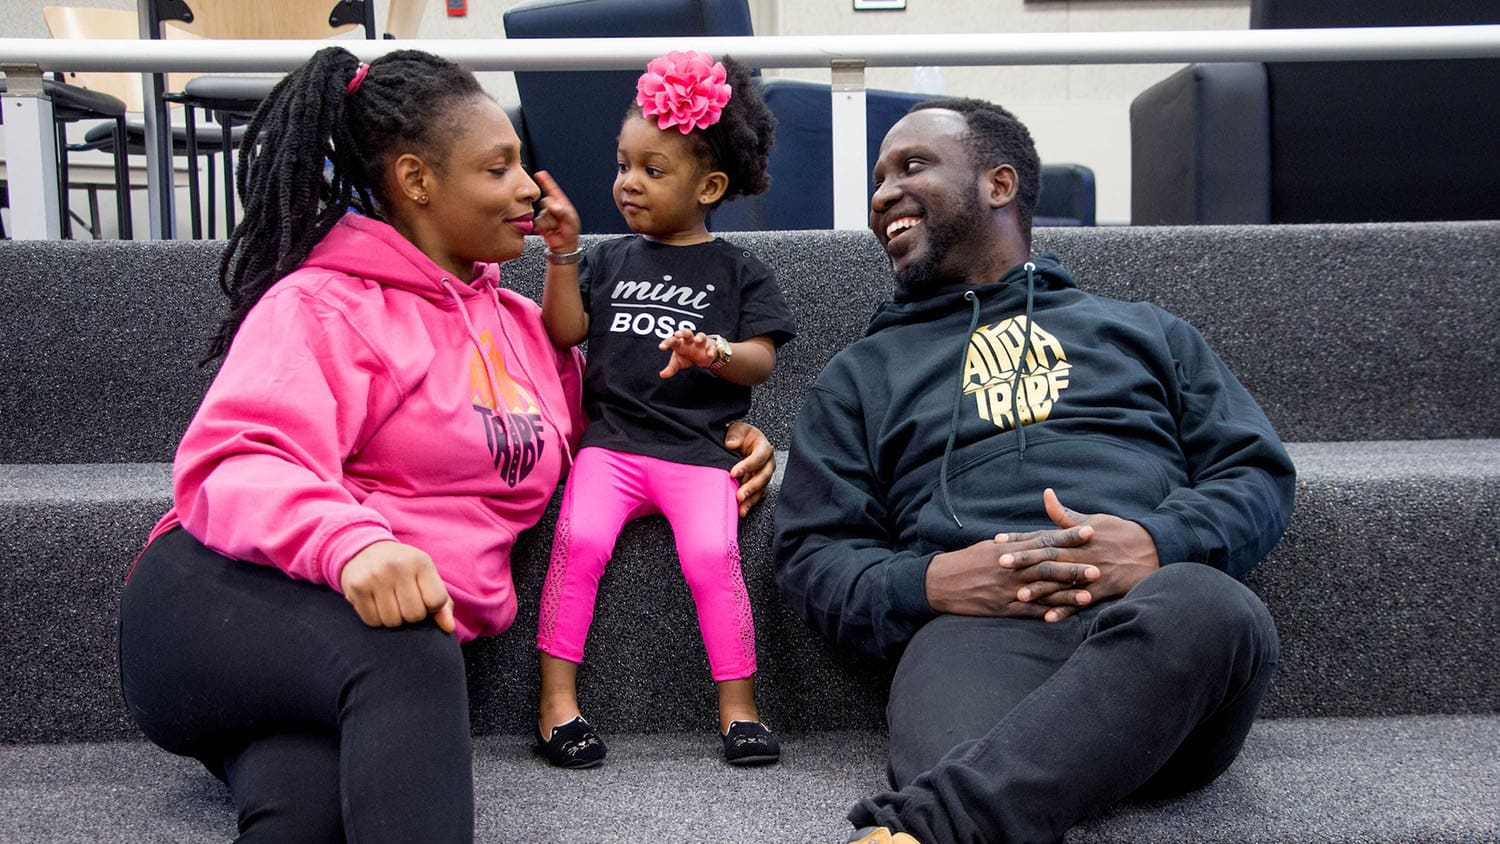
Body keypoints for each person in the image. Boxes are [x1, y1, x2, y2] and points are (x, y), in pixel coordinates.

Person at [116, 46, 775, 842]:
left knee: (305, 811)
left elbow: (614, 418)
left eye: (521, 165)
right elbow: (237, 456)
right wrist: (354, 544)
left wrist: (722, 431)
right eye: (498, 169)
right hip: (219, 597)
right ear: (417, 181)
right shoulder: (326, 304)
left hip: (333, 656)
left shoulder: (521, 330)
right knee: (411, 651)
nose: (530, 187)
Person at [773, 97, 1295, 844]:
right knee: (956, 752)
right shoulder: (860, 375)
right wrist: (931, 582)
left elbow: (1255, 475)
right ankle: (971, 816)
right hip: (978, 633)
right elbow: (812, 553)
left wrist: (1154, 543)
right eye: (878, 178)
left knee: (1214, 609)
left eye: (912, 165)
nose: (882, 193)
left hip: (1153, 618)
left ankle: (933, 829)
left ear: (999, 184)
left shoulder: (1145, 331)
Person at [533, 50, 795, 769]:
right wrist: (562, 255)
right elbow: (565, 332)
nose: (629, 184)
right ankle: (557, 706)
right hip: (611, 446)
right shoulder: (609, 259)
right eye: (623, 165)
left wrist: (714, 350)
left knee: (715, 557)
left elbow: (762, 359)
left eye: (653, 169)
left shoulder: (740, 271)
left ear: (708, 184)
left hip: (698, 452)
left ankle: (740, 711)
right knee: (578, 542)